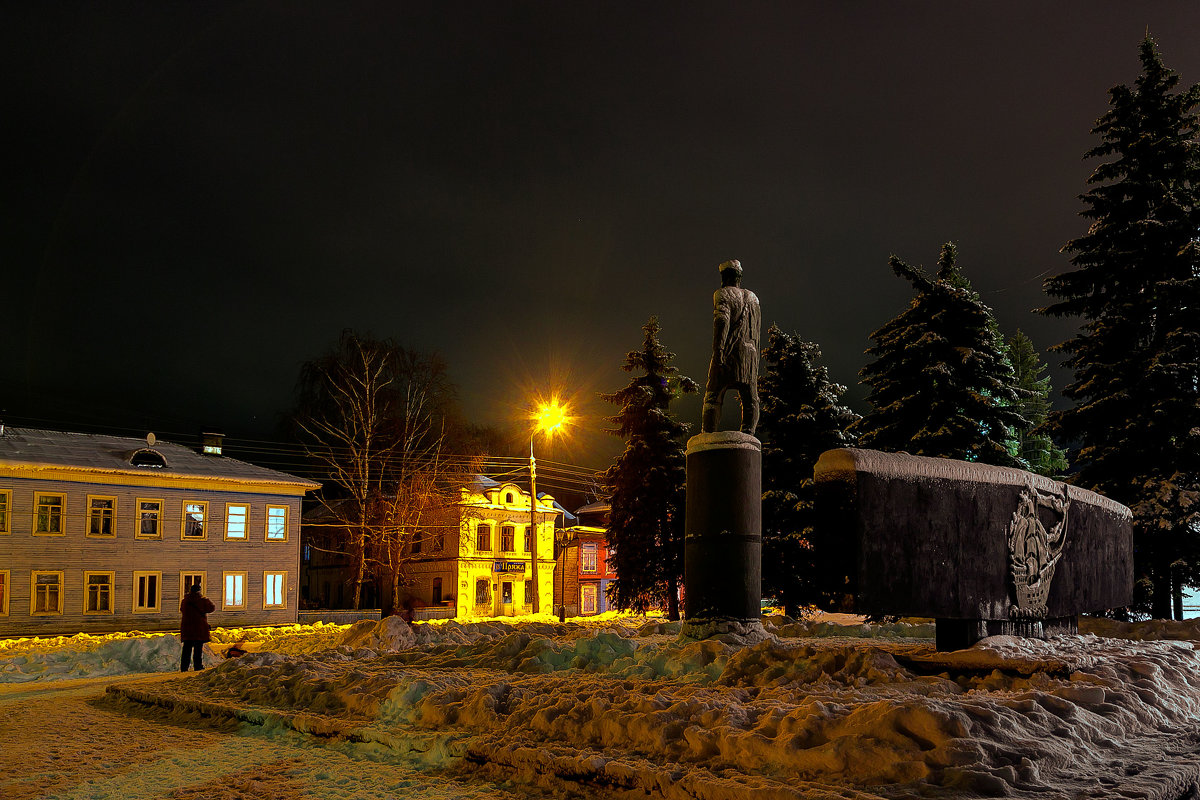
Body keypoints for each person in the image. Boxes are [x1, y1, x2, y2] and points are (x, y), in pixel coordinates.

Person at [701, 259, 761, 435]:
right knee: (750, 400)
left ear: (724, 277)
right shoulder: (754, 298)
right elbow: (756, 330)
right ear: (739, 277)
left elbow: (721, 321)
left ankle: (708, 436)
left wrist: (718, 350)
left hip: (729, 352)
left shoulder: (722, 294)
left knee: (713, 396)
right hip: (750, 356)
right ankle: (748, 436)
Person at [180, 581, 215, 671]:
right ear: (199, 591)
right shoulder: (201, 601)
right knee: (198, 649)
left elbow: (182, 610)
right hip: (198, 629)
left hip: (187, 629)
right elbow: (211, 608)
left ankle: (184, 667)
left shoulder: (185, 601)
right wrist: (205, 599)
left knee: (186, 649)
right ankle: (197, 665)